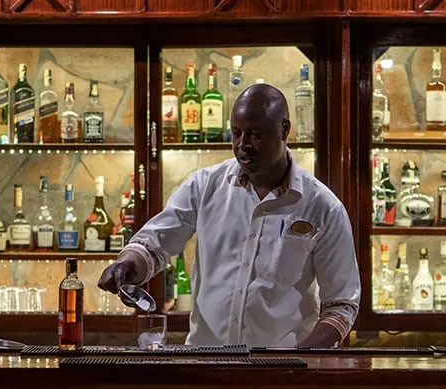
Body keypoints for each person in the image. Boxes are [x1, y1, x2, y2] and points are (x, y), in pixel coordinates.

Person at [98, 83, 360, 348]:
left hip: (281, 366)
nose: (242, 144)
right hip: (205, 361)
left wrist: (303, 357)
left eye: (255, 134)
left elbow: (341, 305)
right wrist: (128, 264)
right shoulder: (204, 186)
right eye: (236, 133)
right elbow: (155, 245)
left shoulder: (323, 206)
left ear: (284, 130)